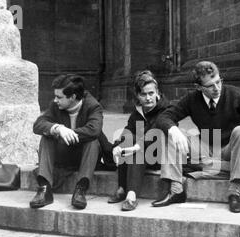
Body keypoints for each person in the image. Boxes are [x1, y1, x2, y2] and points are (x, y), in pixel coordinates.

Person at [152, 61, 240, 213]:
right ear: (199, 87)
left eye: (219, 82)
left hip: (229, 150)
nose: (217, 88)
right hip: (205, 147)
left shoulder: (236, 95)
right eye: (210, 85)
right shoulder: (192, 99)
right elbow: (163, 117)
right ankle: (177, 190)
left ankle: (234, 191)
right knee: (170, 133)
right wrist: (173, 130)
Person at [30, 74, 104, 210]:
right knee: (47, 136)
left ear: (73, 97)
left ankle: (80, 190)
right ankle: (44, 189)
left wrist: (70, 132)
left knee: (93, 141)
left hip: (83, 157)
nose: (55, 100)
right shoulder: (55, 106)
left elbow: (94, 130)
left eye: (59, 97)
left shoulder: (93, 106)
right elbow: (38, 125)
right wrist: (58, 129)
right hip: (62, 155)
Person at [108, 71, 168, 211]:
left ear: (157, 92)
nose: (148, 98)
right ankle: (124, 189)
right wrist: (118, 146)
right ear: (137, 96)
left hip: (159, 155)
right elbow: (127, 131)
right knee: (128, 140)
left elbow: (156, 135)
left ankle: (130, 193)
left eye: (151, 93)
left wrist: (136, 146)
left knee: (136, 148)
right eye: (143, 94)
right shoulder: (137, 113)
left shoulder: (166, 109)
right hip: (140, 154)